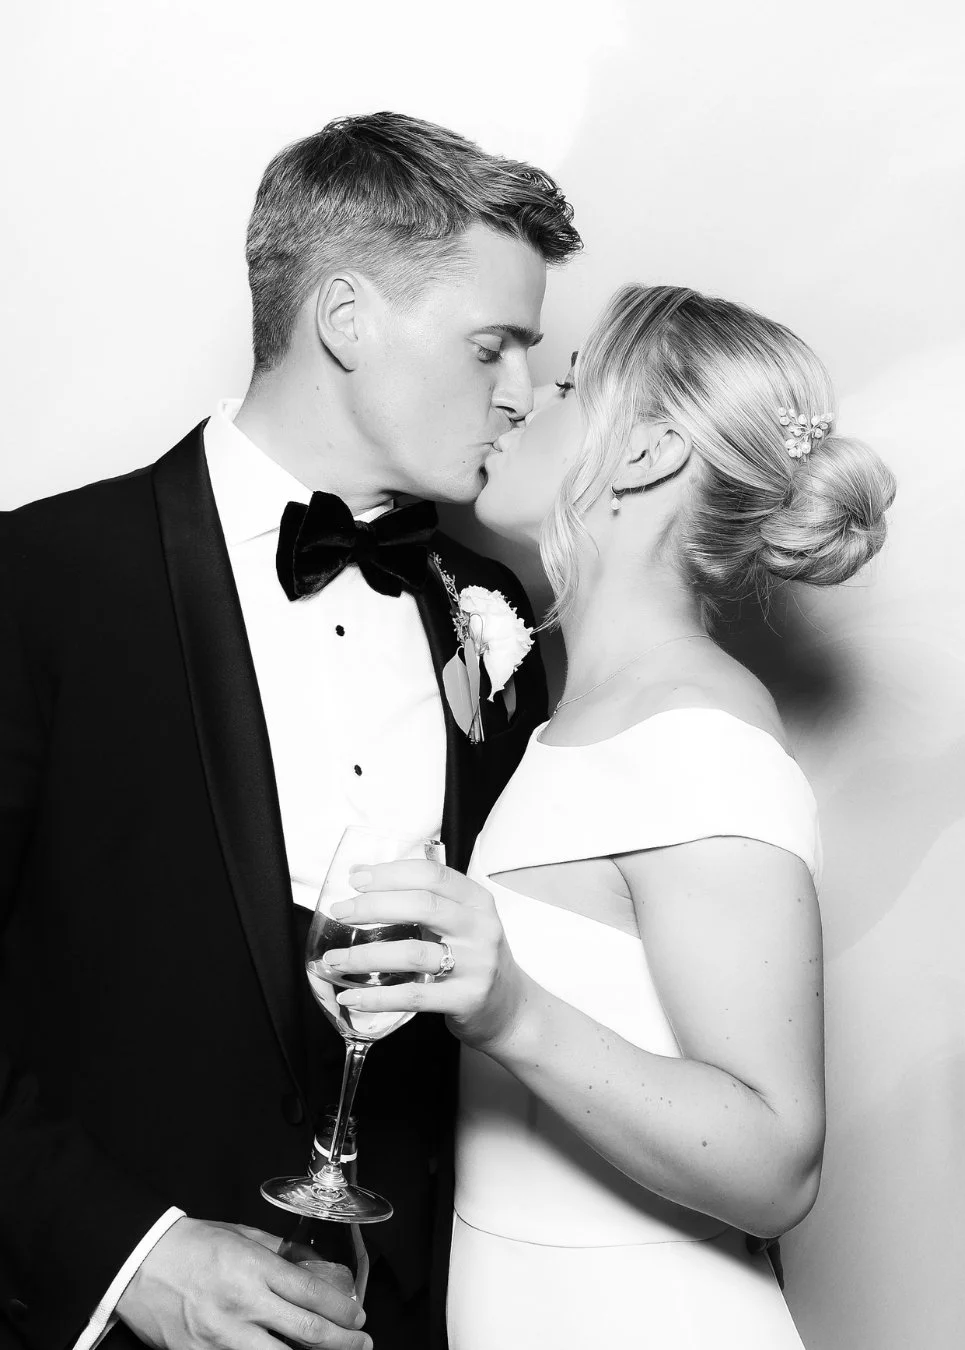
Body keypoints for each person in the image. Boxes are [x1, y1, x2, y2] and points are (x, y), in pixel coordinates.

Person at [0, 113, 580, 1350]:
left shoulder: (499, 611)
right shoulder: (38, 582)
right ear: (346, 319)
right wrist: (129, 1255)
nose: (525, 395)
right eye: (496, 347)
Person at [321, 283, 897, 1348]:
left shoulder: (697, 737)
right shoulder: (571, 719)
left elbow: (778, 1164)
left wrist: (510, 1014)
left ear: (645, 455)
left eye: (573, 383)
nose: (521, 398)